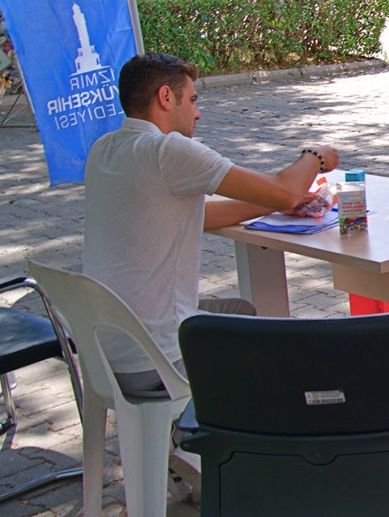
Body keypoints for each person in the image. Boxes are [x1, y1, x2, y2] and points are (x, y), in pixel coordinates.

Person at [83, 53, 340, 399]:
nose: (198, 113)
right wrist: (317, 156)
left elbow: (203, 216)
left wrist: (281, 203)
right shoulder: (168, 150)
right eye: (192, 100)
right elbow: (285, 189)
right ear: (165, 97)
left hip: (105, 354)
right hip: (159, 361)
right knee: (300, 343)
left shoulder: (104, 149)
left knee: (245, 312)